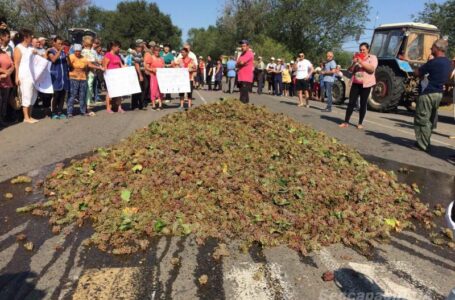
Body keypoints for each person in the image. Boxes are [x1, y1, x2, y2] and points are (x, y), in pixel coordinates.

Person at [412, 39, 451, 152]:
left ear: (437, 48)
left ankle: (423, 145)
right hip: (438, 93)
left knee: (422, 118)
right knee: (430, 119)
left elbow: (418, 73)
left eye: (432, 47)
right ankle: (425, 141)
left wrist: (416, 71)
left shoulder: (433, 62)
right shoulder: (448, 62)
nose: (430, 49)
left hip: (428, 93)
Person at [339, 42, 378, 129]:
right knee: (351, 103)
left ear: (368, 49)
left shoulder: (373, 58)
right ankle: (346, 122)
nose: (362, 51)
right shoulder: (357, 58)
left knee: (363, 103)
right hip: (356, 83)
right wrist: (353, 63)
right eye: (360, 50)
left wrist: (361, 62)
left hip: (366, 84)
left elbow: (371, 69)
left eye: (363, 49)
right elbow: (350, 70)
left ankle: (360, 123)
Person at [14, 29, 39, 124]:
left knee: (33, 95)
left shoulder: (30, 48)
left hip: (32, 75)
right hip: (23, 75)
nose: (32, 38)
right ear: (25, 37)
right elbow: (16, 64)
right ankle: (26, 117)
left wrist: (36, 54)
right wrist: (16, 77)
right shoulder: (18, 48)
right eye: (30, 36)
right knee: (26, 94)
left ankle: (30, 115)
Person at [47, 36, 70, 119]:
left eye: (61, 43)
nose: (61, 45)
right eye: (59, 43)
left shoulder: (64, 52)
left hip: (64, 77)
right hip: (55, 76)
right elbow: (53, 59)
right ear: (54, 43)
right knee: (56, 95)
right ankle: (53, 112)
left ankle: (60, 111)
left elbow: (68, 64)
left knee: (62, 95)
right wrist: (60, 51)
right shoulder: (50, 51)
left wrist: (67, 56)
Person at [68, 44, 94, 117]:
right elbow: (69, 65)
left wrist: (99, 67)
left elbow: (89, 65)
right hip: (73, 78)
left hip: (83, 78)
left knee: (82, 96)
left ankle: (83, 111)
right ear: (74, 51)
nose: (77, 53)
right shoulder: (71, 57)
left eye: (79, 51)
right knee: (72, 95)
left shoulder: (84, 58)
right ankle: (69, 112)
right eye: (76, 51)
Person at [103, 40, 125, 113]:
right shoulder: (108, 55)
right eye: (118, 47)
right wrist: (107, 76)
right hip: (110, 77)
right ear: (113, 47)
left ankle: (119, 107)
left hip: (118, 76)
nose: (119, 49)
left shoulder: (118, 56)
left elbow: (122, 66)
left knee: (119, 93)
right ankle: (108, 108)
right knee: (110, 93)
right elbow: (105, 66)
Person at [81, 35, 100, 110]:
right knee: (88, 88)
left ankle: (88, 104)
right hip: (86, 73)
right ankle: (87, 106)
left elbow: (97, 61)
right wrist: (99, 66)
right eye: (91, 41)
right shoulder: (84, 51)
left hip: (92, 73)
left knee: (90, 88)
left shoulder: (92, 51)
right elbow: (88, 64)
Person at [144, 45, 164, 110]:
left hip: (160, 77)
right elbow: (146, 66)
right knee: (153, 89)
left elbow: (163, 67)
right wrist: (152, 69)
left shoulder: (161, 59)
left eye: (158, 51)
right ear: (153, 51)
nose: (157, 52)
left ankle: (160, 104)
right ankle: (153, 104)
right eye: (156, 50)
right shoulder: (151, 57)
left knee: (161, 90)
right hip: (153, 76)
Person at [0, 33, 14, 127]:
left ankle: (1, 119)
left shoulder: (5, 53)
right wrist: (4, 71)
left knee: (4, 102)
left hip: (6, 81)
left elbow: (12, 65)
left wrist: (8, 73)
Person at [236, 39, 254, 104]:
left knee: (243, 97)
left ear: (248, 46)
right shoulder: (242, 54)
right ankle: (246, 110)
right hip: (241, 77)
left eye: (244, 46)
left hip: (246, 78)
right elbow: (237, 63)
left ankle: (242, 110)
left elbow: (241, 63)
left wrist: (239, 63)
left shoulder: (249, 54)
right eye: (241, 46)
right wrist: (239, 63)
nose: (242, 47)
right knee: (243, 95)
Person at [132, 39, 147, 110]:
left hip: (140, 72)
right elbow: (136, 64)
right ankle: (140, 104)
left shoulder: (140, 52)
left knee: (138, 88)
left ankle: (135, 104)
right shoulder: (138, 53)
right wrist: (140, 75)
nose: (142, 46)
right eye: (141, 45)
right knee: (141, 88)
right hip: (139, 72)